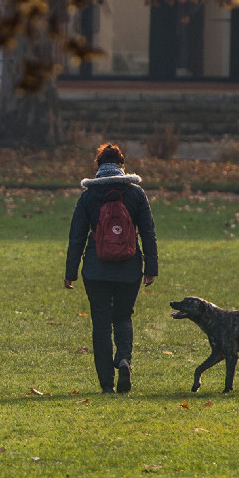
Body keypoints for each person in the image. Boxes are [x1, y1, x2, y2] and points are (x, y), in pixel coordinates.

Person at [64, 143, 158, 394]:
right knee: (124, 316)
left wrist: (70, 273)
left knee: (101, 324)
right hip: (129, 268)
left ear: (98, 166)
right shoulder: (136, 194)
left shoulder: (88, 196)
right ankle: (124, 359)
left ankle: (106, 384)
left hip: (96, 270)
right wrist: (151, 268)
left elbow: (77, 237)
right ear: (121, 165)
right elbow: (148, 233)